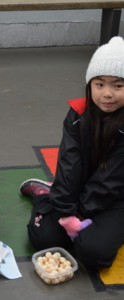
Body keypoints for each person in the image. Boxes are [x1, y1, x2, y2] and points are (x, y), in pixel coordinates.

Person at [21, 36, 124, 270]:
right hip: (79, 190)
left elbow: (112, 178)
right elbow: (69, 162)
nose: (107, 93)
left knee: (93, 252)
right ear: (90, 86)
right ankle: (43, 195)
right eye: (99, 85)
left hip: (117, 197)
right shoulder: (78, 115)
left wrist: (80, 212)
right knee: (43, 240)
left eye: (118, 86)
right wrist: (66, 210)